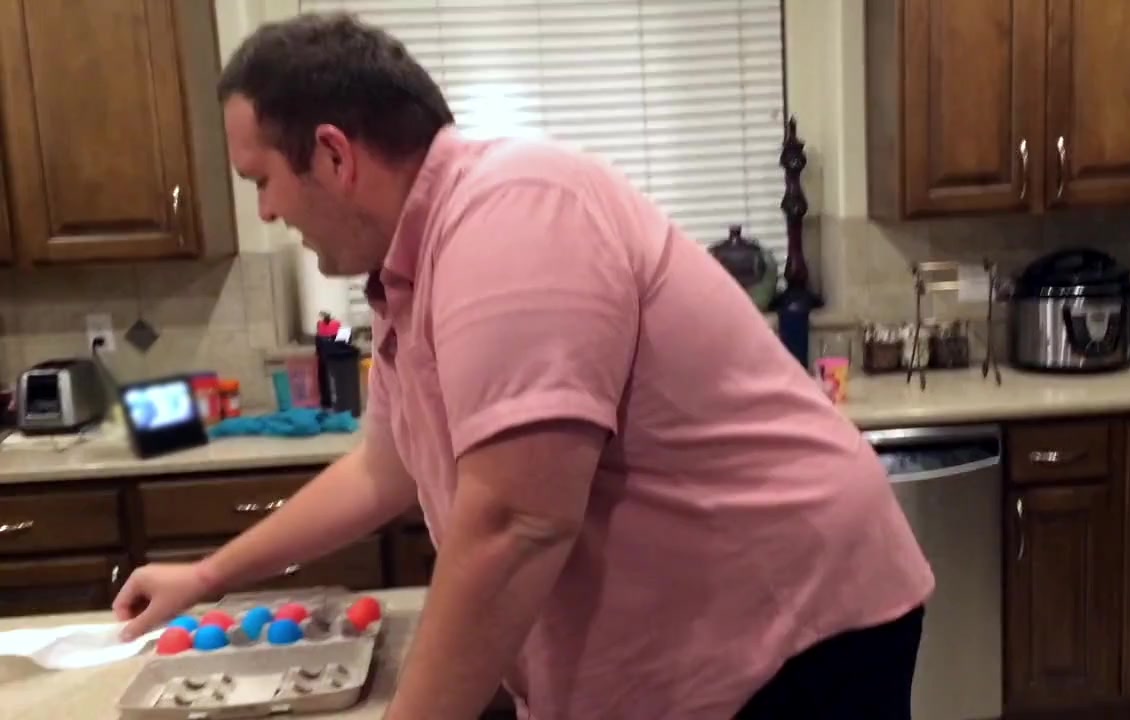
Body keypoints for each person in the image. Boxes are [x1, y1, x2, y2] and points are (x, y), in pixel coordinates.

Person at [113, 13, 934, 720]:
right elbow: (382, 469)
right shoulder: (412, 267)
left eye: (262, 180)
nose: (266, 211)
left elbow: (515, 524)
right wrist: (209, 576)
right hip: (714, 625)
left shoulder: (512, 214)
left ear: (333, 155)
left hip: (800, 627)